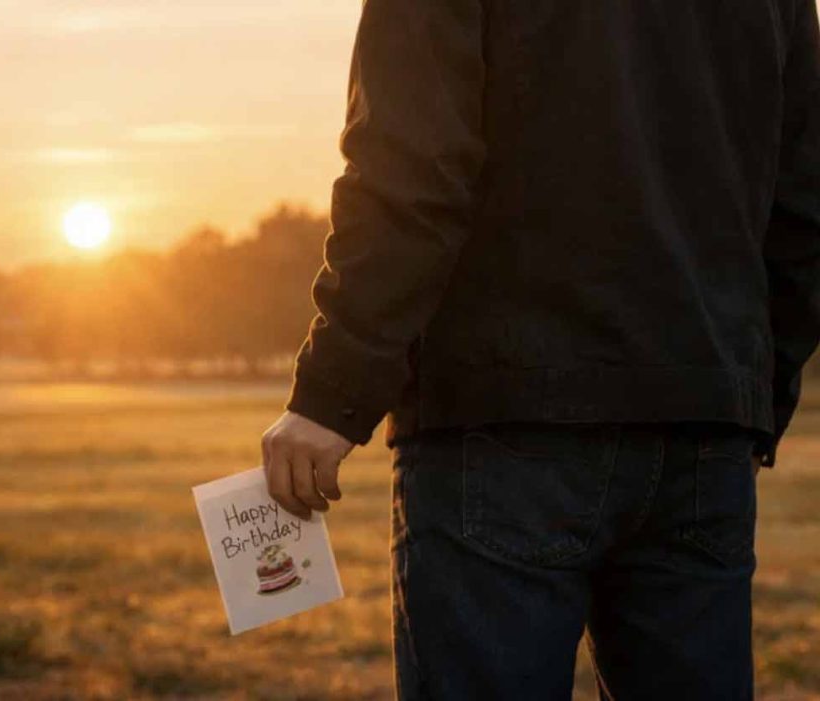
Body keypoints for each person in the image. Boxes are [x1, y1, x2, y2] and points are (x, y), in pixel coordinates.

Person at [260, 0, 820, 698]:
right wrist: (745, 396)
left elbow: (410, 174)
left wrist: (331, 392)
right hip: (702, 426)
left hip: (502, 423)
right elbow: (803, 206)